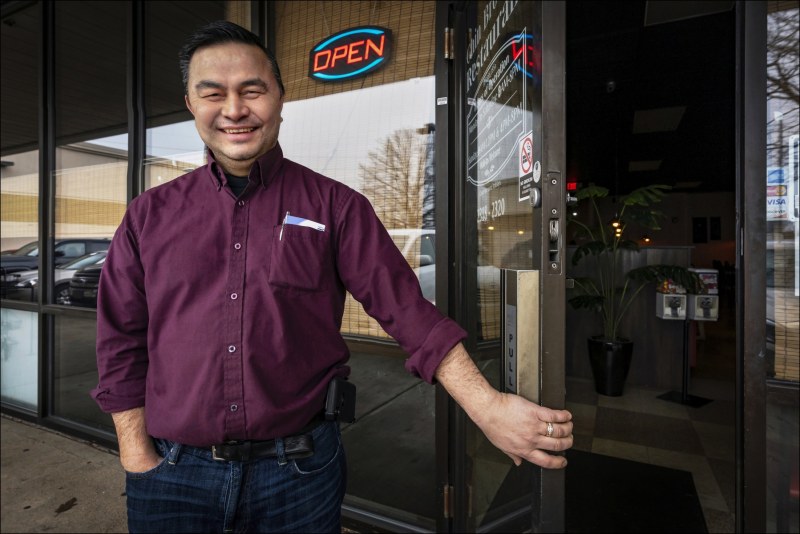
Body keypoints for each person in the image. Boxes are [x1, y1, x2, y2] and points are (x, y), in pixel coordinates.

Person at [92, 20, 573, 533]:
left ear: (279, 98)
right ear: (191, 105)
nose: (234, 110)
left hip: (298, 473)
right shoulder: (149, 216)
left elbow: (407, 311)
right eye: (213, 94)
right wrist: (135, 452)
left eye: (252, 91)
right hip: (173, 478)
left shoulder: (336, 207)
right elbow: (120, 338)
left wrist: (488, 406)